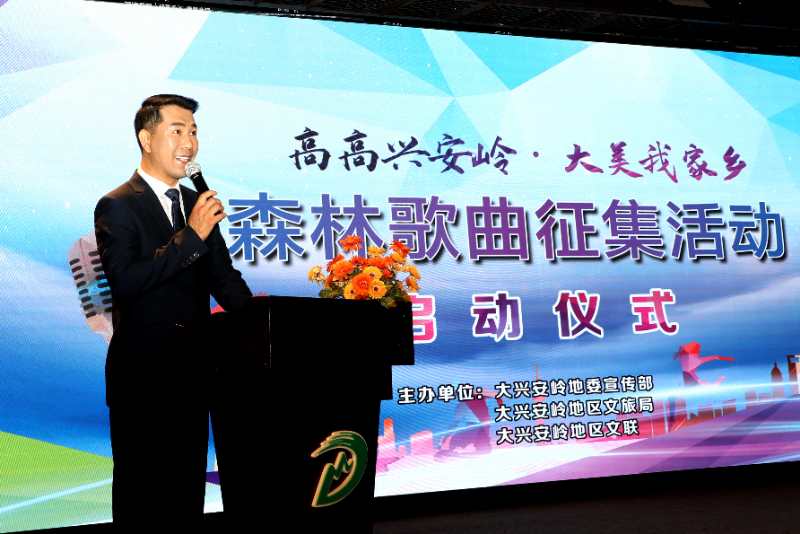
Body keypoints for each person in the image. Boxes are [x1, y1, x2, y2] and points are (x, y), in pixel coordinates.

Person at [94, 94, 252, 526]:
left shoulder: (194, 203)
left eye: (194, 132)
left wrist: (264, 319)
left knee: (185, 499)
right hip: (143, 381)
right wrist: (192, 236)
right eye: (177, 131)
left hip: (195, 376)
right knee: (144, 500)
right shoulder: (118, 205)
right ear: (146, 139)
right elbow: (127, 281)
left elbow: (224, 280)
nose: (189, 143)